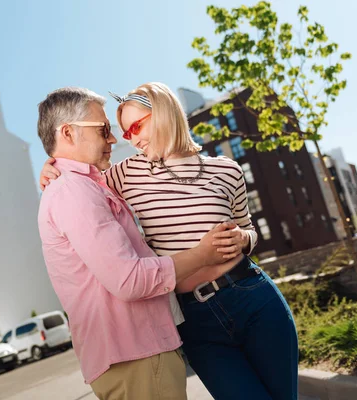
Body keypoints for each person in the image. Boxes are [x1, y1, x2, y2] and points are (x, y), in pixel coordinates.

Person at [40, 83, 299, 400]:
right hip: (196, 319)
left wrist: (244, 238)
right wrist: (51, 166)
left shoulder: (227, 170)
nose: (132, 139)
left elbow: (250, 230)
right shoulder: (124, 175)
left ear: (164, 114)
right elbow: (78, 176)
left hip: (252, 295)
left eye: (136, 126)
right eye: (124, 133)